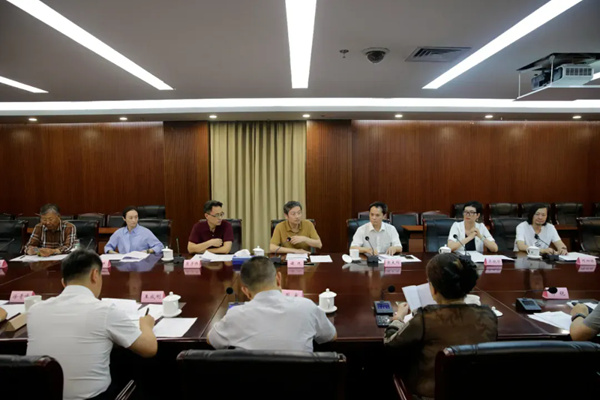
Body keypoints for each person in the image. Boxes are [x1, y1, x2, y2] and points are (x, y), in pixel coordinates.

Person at [26, 250, 157, 400]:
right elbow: (149, 349)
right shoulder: (104, 310)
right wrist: (146, 325)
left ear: (63, 282)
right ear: (95, 275)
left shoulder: (35, 311)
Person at [384, 253, 498, 399]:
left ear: (433, 289)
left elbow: (390, 343)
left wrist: (398, 318)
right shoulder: (488, 316)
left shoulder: (426, 318)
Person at [207, 256, 336, 351]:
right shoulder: (307, 307)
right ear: (278, 279)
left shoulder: (235, 315)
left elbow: (211, 340)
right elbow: (331, 336)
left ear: (245, 291)